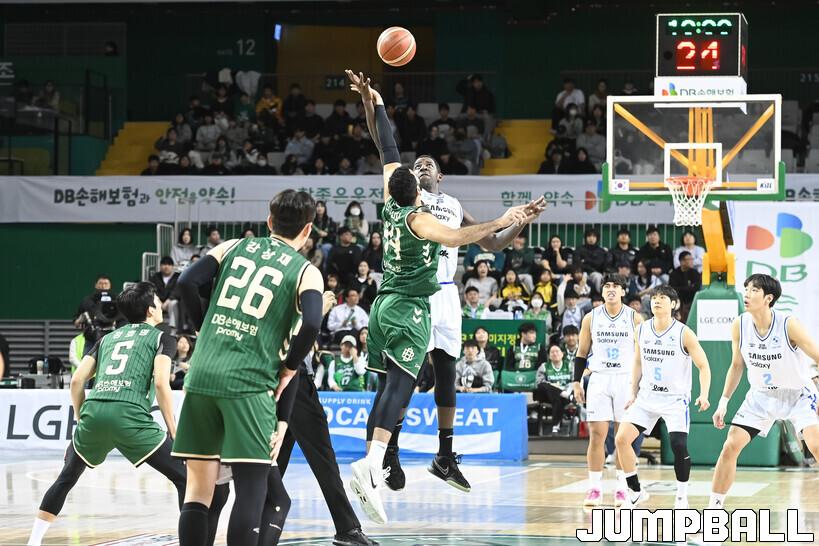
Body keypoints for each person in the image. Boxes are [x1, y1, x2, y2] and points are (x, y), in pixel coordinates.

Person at [344, 70, 535, 524]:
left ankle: (404, 459)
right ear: (414, 183)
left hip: (402, 299)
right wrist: (502, 218)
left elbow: (386, 146)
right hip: (412, 301)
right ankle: (379, 459)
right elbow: (457, 237)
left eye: (428, 164)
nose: (421, 167)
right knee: (399, 384)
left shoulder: (401, 198)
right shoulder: (420, 216)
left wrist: (374, 103)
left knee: (408, 381)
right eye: (418, 166)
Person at [172, 189, 323, 546]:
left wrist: (204, 327)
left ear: (269, 221)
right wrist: (289, 367)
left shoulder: (231, 246)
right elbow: (312, 323)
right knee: (252, 492)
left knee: (198, 491)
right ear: (307, 231)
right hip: (249, 383)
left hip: (202, 375)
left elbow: (185, 281)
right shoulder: (306, 271)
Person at [26, 283, 186, 546]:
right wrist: (174, 431)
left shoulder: (106, 339)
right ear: (150, 310)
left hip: (94, 412)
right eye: (157, 301)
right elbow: (161, 383)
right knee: (184, 478)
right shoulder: (162, 337)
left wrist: (81, 419)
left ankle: (34, 541)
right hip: (130, 415)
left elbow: (77, 381)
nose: (160, 305)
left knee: (66, 478)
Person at [708, 274, 819, 510]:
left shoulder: (788, 324)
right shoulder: (739, 324)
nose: (747, 294)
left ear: (768, 298)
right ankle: (714, 510)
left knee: (816, 444)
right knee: (730, 446)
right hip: (760, 396)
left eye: (754, 290)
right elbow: (736, 365)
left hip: (797, 394)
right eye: (746, 288)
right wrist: (723, 402)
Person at [615, 285, 711, 509]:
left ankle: (682, 497)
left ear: (674, 304)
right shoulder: (641, 330)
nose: (656, 301)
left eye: (662, 298)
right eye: (654, 298)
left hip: (675, 399)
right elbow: (637, 362)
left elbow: (703, 366)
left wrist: (704, 394)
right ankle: (635, 491)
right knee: (621, 439)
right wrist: (632, 391)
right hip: (647, 397)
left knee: (678, 446)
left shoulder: (684, 333)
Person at [572, 274, 643, 508]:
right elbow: (581, 353)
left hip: (625, 379)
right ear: (602, 291)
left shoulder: (635, 318)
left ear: (623, 291)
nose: (611, 289)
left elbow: (642, 355)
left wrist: (640, 384)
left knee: (623, 438)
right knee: (597, 435)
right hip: (599, 379)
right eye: (607, 286)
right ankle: (595, 488)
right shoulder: (591, 318)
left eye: (616, 286)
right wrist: (576, 382)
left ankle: (622, 488)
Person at [535, 345, 574, 434]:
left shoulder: (569, 365)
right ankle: (556, 425)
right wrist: (553, 386)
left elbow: (575, 381)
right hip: (548, 396)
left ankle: (555, 426)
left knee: (558, 398)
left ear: (562, 354)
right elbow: (538, 382)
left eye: (557, 351)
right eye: (552, 352)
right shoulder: (544, 366)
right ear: (549, 356)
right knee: (542, 386)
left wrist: (565, 389)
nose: (555, 354)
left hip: (566, 393)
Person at [668, 251, 701, 322]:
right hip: (679, 299)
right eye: (689, 259)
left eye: (692, 259)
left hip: (692, 299)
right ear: (682, 261)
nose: (692, 261)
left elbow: (696, 288)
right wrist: (689, 288)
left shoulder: (695, 273)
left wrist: (684, 289)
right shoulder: (674, 274)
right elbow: (673, 289)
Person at [150, 256, 180, 329]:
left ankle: (173, 329)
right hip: (158, 301)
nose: (166, 267)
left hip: (170, 301)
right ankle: (151, 328)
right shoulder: (155, 277)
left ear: (173, 266)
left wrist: (168, 301)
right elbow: (152, 290)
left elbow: (177, 291)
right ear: (160, 266)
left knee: (174, 303)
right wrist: (159, 302)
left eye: (169, 264)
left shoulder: (177, 277)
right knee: (150, 302)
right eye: (164, 264)